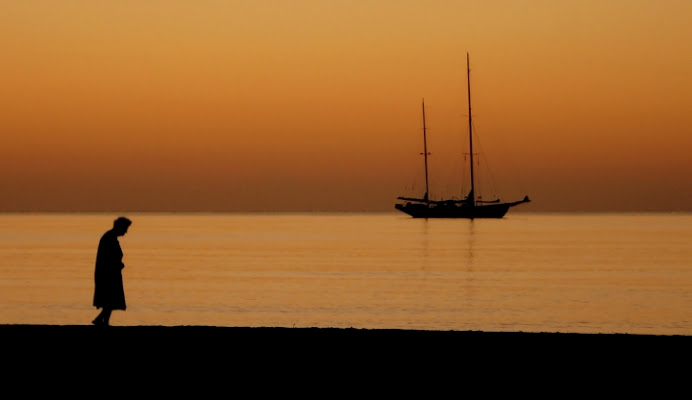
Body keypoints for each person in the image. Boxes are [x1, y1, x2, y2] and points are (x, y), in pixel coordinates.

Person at [92, 216, 132, 326]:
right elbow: (108, 257)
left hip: (111, 273)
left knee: (110, 299)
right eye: (125, 228)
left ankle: (102, 320)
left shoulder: (110, 237)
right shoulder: (109, 238)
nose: (126, 231)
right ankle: (101, 320)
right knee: (110, 298)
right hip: (108, 274)